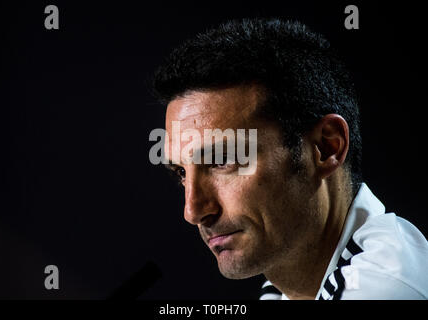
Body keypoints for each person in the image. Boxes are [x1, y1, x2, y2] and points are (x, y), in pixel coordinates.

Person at [151, 18, 428, 300]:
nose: (193, 211)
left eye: (223, 160)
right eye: (180, 172)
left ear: (326, 148)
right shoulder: (290, 289)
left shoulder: (385, 286)